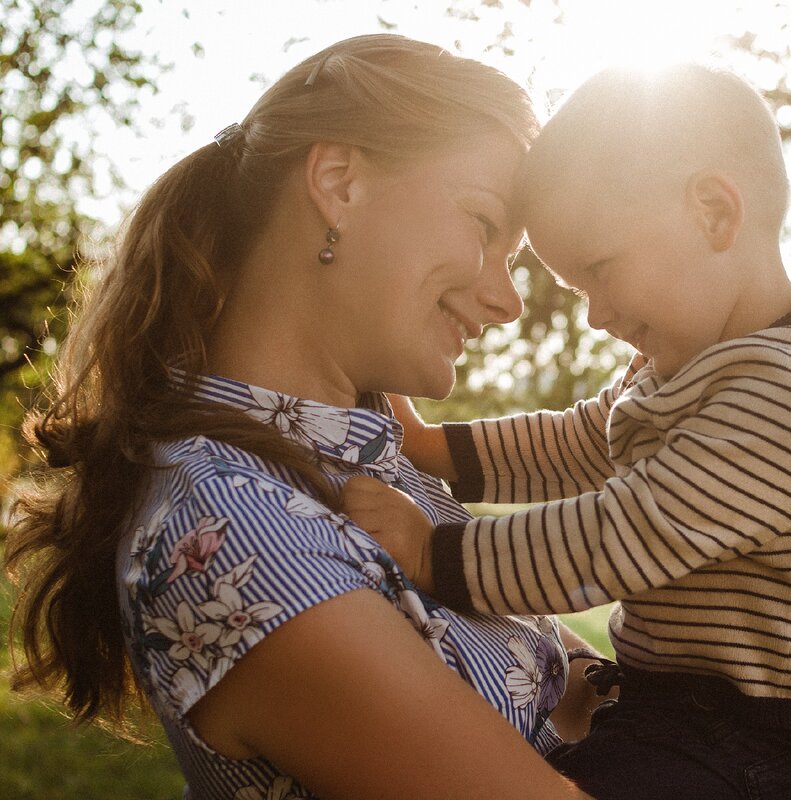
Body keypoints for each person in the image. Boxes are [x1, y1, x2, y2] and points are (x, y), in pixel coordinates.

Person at [3, 34, 617, 799]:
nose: (506, 299)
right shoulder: (232, 528)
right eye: (485, 227)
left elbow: (559, 676)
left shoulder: (372, 461)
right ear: (338, 182)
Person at [341, 63, 791, 800]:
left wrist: (434, 553)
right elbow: (582, 443)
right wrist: (434, 449)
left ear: (713, 214)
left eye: (600, 271)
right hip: (680, 714)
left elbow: (626, 533)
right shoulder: (693, 359)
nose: (595, 314)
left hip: (759, 740)